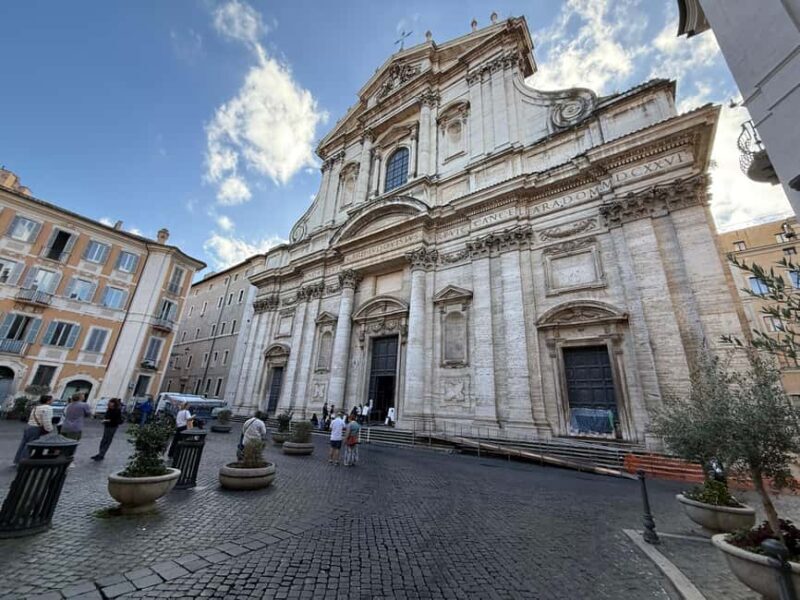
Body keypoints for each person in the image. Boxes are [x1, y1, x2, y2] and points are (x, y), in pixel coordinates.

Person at [14, 395, 54, 465]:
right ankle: (24, 462)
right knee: (29, 446)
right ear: (48, 401)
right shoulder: (48, 408)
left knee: (23, 444)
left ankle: (17, 460)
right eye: (51, 400)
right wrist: (49, 429)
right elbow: (47, 420)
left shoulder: (36, 407)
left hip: (29, 426)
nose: (52, 401)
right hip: (35, 428)